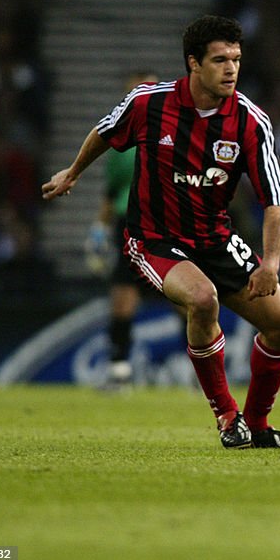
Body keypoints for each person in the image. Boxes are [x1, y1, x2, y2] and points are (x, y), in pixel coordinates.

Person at [43, 15, 280, 449]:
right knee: (203, 299)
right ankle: (226, 416)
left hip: (215, 238)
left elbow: (275, 199)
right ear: (193, 64)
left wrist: (271, 263)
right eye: (220, 60)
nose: (231, 69)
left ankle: (256, 426)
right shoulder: (148, 103)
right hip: (153, 237)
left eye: (236, 59)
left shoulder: (251, 122)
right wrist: (72, 172)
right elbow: (105, 133)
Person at [86, 70, 161, 389]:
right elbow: (111, 193)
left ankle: (203, 371)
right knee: (123, 298)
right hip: (128, 225)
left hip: (168, 223)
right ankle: (119, 368)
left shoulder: (177, 135)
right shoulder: (119, 147)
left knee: (190, 299)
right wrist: (98, 231)